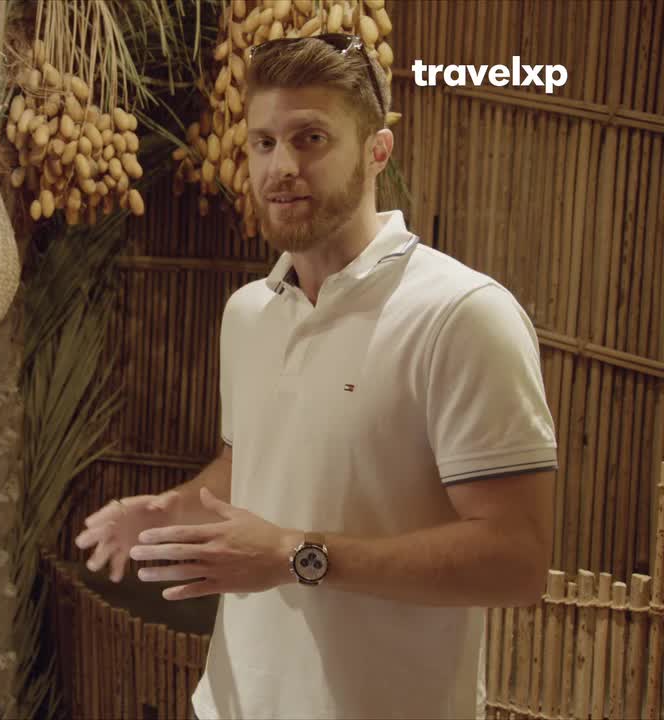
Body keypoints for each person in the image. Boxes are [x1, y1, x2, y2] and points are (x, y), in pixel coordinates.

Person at [76, 34, 557, 719]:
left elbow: (516, 560)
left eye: (311, 138)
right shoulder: (248, 315)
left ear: (377, 151)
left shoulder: (463, 315)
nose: (282, 167)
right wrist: (169, 508)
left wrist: (296, 556)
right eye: (264, 143)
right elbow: (250, 465)